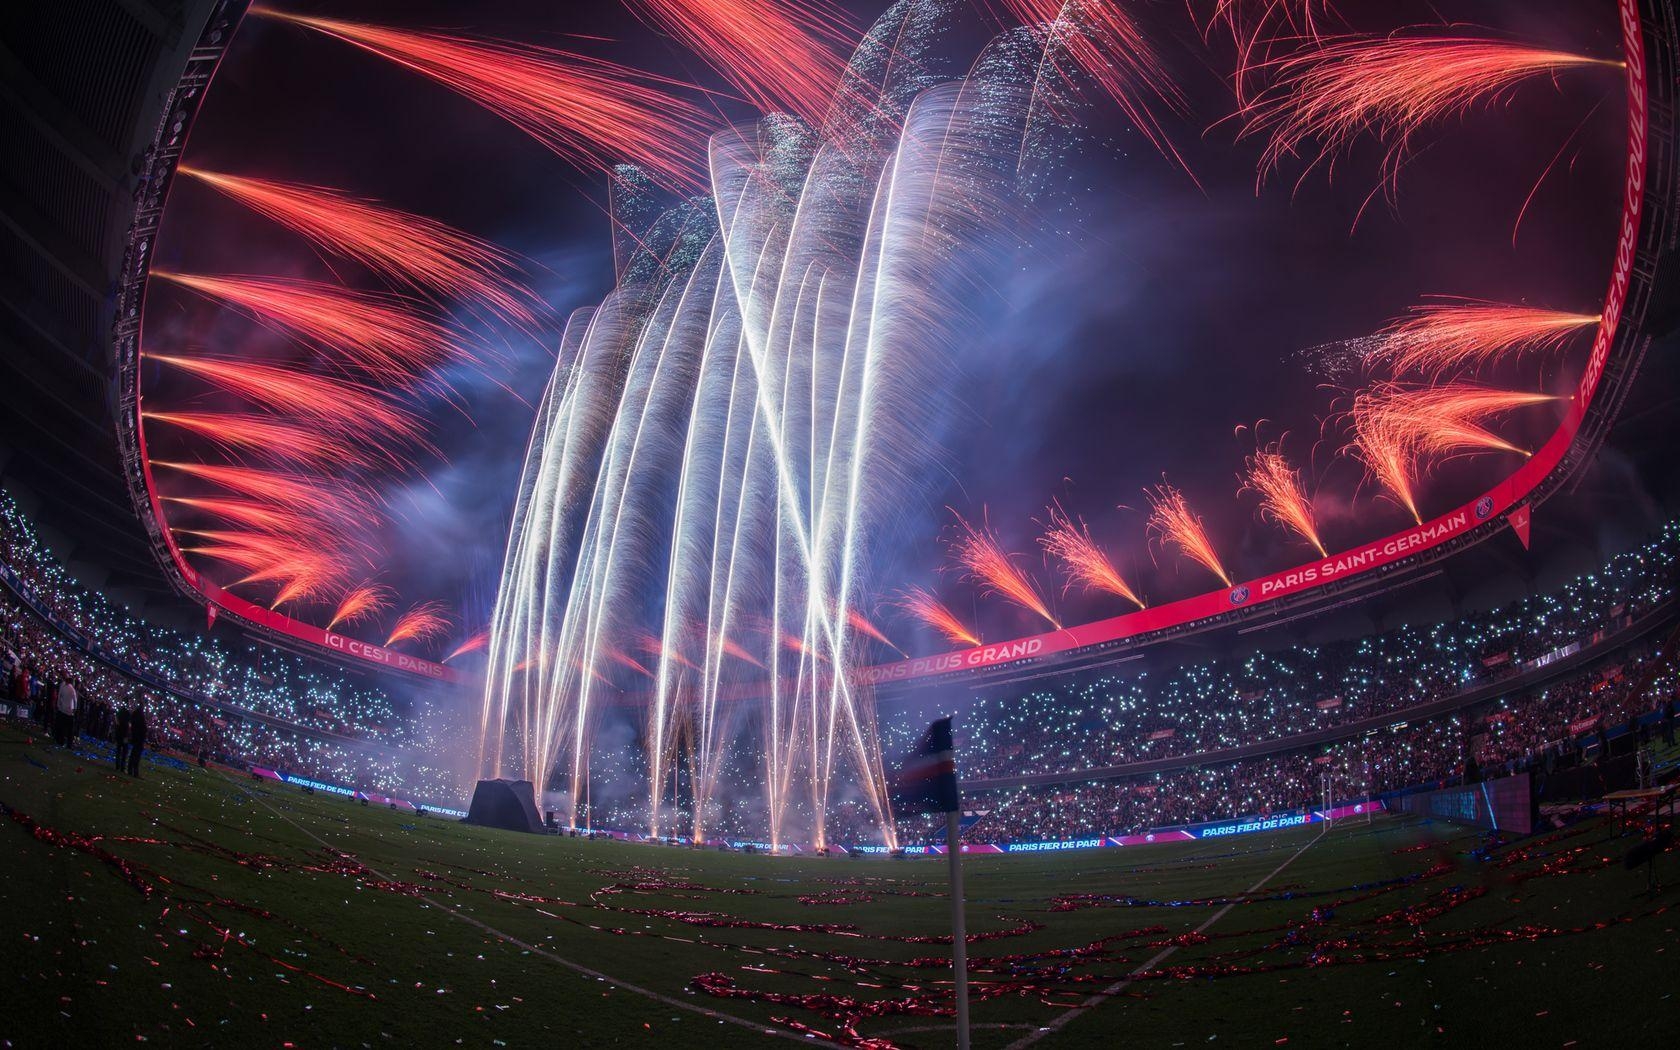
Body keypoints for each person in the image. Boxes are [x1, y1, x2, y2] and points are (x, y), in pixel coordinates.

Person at [53, 678, 77, 748]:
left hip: (62, 709)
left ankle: (59, 740)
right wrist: (74, 709)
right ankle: (69, 744)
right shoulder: (72, 689)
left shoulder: (63, 686)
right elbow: (75, 700)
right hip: (69, 711)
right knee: (70, 729)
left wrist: (58, 705)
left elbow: (59, 696)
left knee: (61, 727)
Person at [127, 702, 147, 777]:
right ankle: (134, 771)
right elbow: (141, 728)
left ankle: (131, 770)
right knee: (136, 755)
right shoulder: (140, 716)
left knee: (133, 754)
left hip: (136, 738)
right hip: (139, 738)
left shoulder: (135, 715)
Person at [113, 705, 131, 772]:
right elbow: (128, 725)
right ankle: (122, 767)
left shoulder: (119, 712)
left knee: (118, 750)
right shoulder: (127, 713)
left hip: (119, 734)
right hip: (124, 735)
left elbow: (117, 722)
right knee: (124, 751)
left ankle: (117, 766)